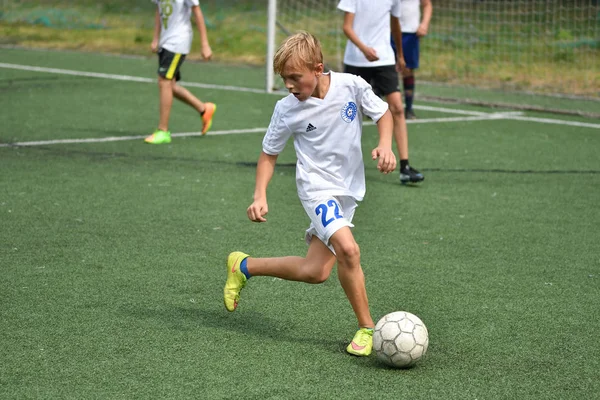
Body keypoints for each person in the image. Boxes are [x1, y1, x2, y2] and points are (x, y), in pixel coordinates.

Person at [223, 31, 397, 357]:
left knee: (315, 271)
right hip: (317, 189)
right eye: (283, 79)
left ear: (317, 69)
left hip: (348, 192)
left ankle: (243, 266)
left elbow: (384, 113)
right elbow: (268, 154)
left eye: (294, 77)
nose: (288, 85)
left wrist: (385, 144)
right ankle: (367, 328)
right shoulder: (286, 109)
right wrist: (260, 194)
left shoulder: (351, 85)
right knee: (349, 249)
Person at [338, 0, 424, 184]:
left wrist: (400, 55)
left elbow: (395, 26)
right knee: (348, 113)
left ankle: (405, 166)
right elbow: (347, 27)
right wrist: (364, 49)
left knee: (397, 108)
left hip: (384, 58)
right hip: (357, 59)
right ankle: (340, 165)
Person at [144, 0, 216, 144]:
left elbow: (197, 11)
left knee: (164, 81)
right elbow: (159, 10)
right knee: (170, 85)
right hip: (165, 42)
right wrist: (156, 38)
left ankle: (163, 131)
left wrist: (204, 44)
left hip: (178, 41)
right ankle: (204, 109)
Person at [391, 0, 433, 120]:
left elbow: (427, 4)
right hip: (388, 31)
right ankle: (376, 104)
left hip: (410, 33)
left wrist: (424, 24)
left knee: (407, 70)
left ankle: (408, 109)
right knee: (384, 68)